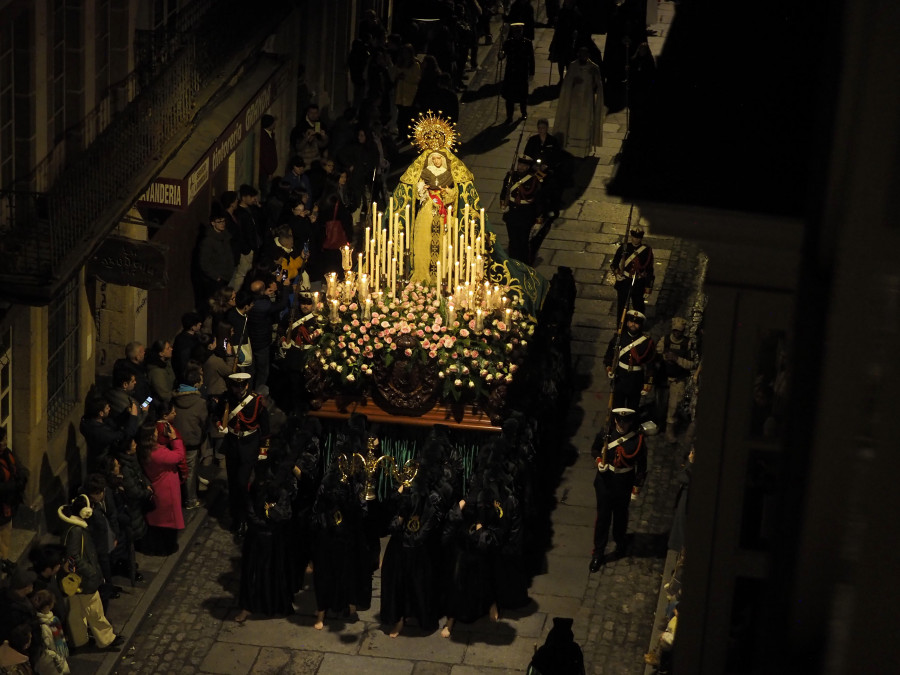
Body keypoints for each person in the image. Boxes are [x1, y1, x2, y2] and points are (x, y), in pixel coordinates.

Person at [233, 442, 297, 623]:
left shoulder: (282, 488)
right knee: (251, 572)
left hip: (273, 536)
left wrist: (271, 514)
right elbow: (250, 505)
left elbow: (285, 513)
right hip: (256, 534)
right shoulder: (258, 480)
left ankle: (271, 604)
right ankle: (248, 606)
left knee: (271, 571)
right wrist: (260, 520)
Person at [57, 495, 124, 650]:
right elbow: (74, 558)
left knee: (76, 612)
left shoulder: (69, 526)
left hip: (73, 582)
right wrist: (92, 572)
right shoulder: (77, 531)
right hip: (84, 580)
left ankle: (80, 641)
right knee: (95, 610)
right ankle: (106, 639)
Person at [589, 407, 647, 572]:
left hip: (624, 482)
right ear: (615, 420)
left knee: (621, 515)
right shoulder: (606, 433)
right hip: (605, 482)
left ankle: (620, 541)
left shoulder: (637, 439)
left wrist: (637, 486)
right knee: (603, 519)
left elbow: (642, 466)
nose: (622, 424)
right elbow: (594, 449)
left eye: (626, 421)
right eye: (619, 421)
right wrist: (599, 460)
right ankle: (598, 554)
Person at [216, 373, 269, 535]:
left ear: (247, 385)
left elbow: (265, 428)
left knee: (241, 483)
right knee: (233, 484)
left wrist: (263, 449)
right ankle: (237, 518)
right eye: (235, 386)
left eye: (242, 386)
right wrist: (220, 424)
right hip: (232, 444)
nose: (238, 390)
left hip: (249, 445)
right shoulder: (226, 399)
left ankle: (247, 515)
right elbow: (216, 415)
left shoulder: (257, 401)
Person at [136, 419, 185, 556]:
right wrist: (174, 438)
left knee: (158, 522)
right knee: (167, 523)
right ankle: (166, 547)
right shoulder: (158, 454)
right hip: (167, 490)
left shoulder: (145, 450)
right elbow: (178, 456)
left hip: (159, 487)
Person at [410, 150, 459, 284]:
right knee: (424, 237)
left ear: (443, 160)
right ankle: (422, 271)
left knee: (441, 240)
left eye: (439, 158)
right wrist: (423, 189)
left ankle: (440, 273)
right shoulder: (426, 173)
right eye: (434, 159)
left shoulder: (448, 175)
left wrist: (446, 192)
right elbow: (418, 190)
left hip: (442, 207)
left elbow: (454, 193)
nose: (437, 161)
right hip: (427, 207)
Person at [555, 47, 603, 158]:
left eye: (585, 55)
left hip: (587, 102)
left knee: (585, 124)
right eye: (581, 54)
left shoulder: (594, 68)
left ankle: (584, 151)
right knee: (573, 124)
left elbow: (598, 86)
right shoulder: (573, 66)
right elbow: (566, 84)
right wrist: (573, 81)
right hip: (574, 101)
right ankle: (571, 149)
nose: (583, 57)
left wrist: (595, 78)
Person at [172, 363, 208, 510]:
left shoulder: (174, 398)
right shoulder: (200, 403)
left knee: (177, 470)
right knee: (190, 472)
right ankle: (191, 499)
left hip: (175, 439)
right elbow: (204, 423)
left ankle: (178, 498)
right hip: (192, 441)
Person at [604, 310, 655, 410]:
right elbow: (609, 355)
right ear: (627, 322)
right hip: (620, 376)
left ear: (640, 325)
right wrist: (609, 368)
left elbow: (650, 363)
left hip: (636, 379)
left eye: (636, 323)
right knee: (617, 407)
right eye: (631, 322)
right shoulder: (619, 338)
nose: (633, 325)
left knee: (633, 408)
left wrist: (648, 382)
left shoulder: (646, 342)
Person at [657, 317, 694, 443]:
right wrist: (664, 357)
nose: (677, 333)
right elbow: (657, 353)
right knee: (661, 403)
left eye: (679, 331)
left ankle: (669, 429)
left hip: (679, 379)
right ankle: (659, 423)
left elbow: (691, 364)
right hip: (664, 378)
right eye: (675, 331)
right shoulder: (665, 340)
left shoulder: (687, 344)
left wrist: (677, 359)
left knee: (674, 405)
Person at [79, 396, 139, 474]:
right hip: (104, 463)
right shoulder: (99, 432)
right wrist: (134, 416)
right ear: (100, 413)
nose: (109, 409)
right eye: (107, 408)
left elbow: (112, 424)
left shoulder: (94, 421)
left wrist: (126, 413)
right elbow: (126, 434)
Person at [500, 155, 542, 264]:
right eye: (520, 164)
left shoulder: (534, 178)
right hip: (512, 213)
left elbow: (538, 199)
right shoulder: (510, 176)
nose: (521, 167)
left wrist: (538, 219)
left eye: (524, 165)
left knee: (523, 241)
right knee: (513, 240)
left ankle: (524, 263)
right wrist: (503, 204)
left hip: (526, 214)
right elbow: (504, 191)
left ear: (528, 167)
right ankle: (513, 262)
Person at [610, 226, 654, 319]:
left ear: (641, 238)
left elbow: (649, 270)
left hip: (639, 282)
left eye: (638, 238)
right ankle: (620, 329)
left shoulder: (647, 251)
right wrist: (617, 274)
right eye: (634, 237)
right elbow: (614, 264)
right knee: (621, 308)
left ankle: (637, 328)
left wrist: (648, 288)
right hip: (625, 281)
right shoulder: (624, 247)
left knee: (638, 309)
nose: (635, 240)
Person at [0, 429, 27, 563]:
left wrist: (21, 478)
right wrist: (14, 485)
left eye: (5, 438)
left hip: (9, 502)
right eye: (1, 440)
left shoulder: (7, 453)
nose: (4, 442)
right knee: (3, 533)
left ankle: (4, 559)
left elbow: (17, 466)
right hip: (2, 504)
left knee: (6, 533)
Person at [499, 23, 535, 124]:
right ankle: (509, 116)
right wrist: (500, 54)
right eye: (515, 32)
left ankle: (524, 112)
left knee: (523, 95)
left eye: (519, 32)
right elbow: (501, 56)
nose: (517, 34)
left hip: (522, 72)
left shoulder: (527, 43)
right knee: (509, 97)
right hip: (511, 72)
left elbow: (531, 59)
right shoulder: (508, 43)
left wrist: (531, 72)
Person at [198, 210, 235, 303]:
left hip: (227, 275)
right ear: (213, 223)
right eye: (219, 222)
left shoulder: (225, 235)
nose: (222, 224)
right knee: (216, 302)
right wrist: (216, 277)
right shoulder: (208, 241)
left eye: (223, 221)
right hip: (217, 279)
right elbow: (204, 262)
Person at [30, 590, 70, 675]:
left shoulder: (52, 620)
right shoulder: (44, 625)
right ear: (48, 606)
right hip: (52, 660)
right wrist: (57, 657)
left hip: (57, 657)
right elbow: (48, 646)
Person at [290, 104, 329, 169]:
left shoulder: (321, 125)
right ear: (307, 113)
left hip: (316, 160)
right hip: (304, 161)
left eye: (315, 113)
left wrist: (324, 136)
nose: (313, 115)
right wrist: (306, 138)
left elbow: (323, 145)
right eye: (311, 113)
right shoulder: (300, 127)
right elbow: (297, 147)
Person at [172, 313, 202, 385]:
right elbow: (183, 362)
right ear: (193, 327)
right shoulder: (184, 341)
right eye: (198, 323)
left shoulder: (193, 337)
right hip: (189, 377)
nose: (200, 324)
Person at [145, 340, 176, 407]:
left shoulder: (166, 365)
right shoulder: (156, 372)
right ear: (161, 353)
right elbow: (164, 394)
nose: (171, 349)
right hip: (160, 406)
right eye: (168, 348)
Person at [258, 114, 277, 199]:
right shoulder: (264, 137)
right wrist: (269, 171)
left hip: (268, 171)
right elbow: (265, 156)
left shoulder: (270, 134)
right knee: (265, 192)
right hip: (265, 172)